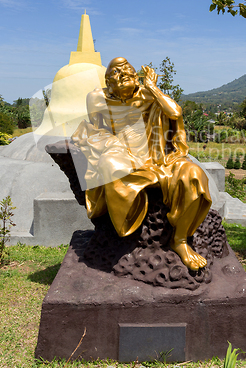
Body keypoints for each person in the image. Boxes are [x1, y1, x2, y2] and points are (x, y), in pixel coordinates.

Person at [72, 57, 212, 271]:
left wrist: (153, 88)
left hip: (158, 160)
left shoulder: (148, 95)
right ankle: (125, 230)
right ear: (108, 81)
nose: (123, 73)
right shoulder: (97, 98)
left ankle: (180, 241)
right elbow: (95, 128)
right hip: (124, 157)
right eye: (116, 72)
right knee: (110, 164)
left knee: (194, 175)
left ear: (136, 76)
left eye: (127, 69)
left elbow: (175, 113)